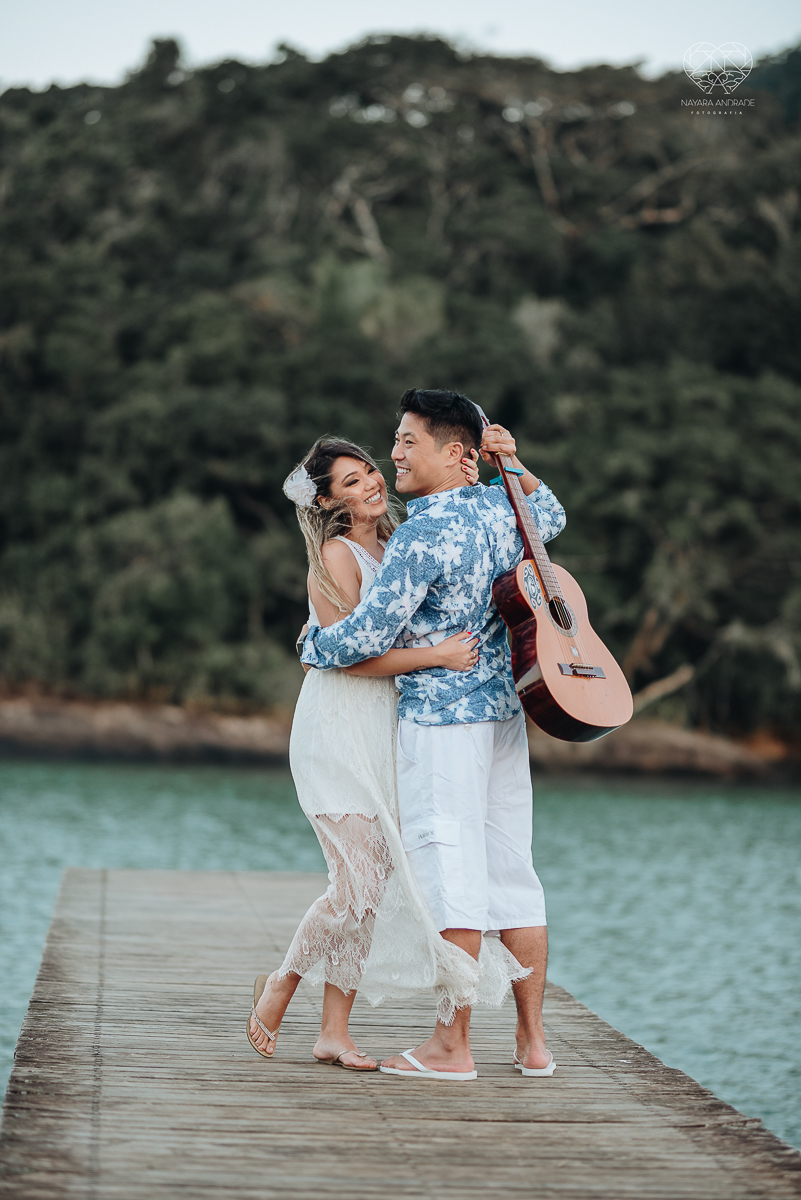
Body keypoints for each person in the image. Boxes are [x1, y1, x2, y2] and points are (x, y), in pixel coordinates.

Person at [301, 390, 566, 1080]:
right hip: (506, 716)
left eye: (406, 442)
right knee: (514, 875)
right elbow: (554, 516)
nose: (393, 454)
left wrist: (313, 640)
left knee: (451, 876)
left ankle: (451, 1046)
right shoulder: (501, 505)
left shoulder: (422, 532)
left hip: (443, 724)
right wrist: (514, 462)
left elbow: (365, 635)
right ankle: (533, 1045)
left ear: (453, 454)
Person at [247, 436, 522, 1071]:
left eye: (369, 469)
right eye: (350, 482)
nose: (371, 482)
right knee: (356, 883)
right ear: (326, 501)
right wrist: (437, 655)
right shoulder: (334, 560)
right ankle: (283, 981)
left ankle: (333, 1033)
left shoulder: (400, 543)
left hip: (389, 726)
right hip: (339, 726)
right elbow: (354, 656)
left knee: (372, 882)